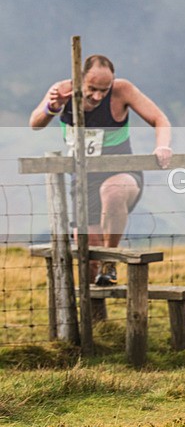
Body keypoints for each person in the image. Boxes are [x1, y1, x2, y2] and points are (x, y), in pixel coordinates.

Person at [29, 54, 172, 285]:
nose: (98, 96)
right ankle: (96, 317)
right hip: (83, 180)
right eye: (92, 89)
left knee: (112, 191)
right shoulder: (62, 90)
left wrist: (162, 146)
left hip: (123, 172)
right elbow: (34, 123)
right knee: (88, 256)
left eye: (104, 90)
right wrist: (52, 107)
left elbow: (160, 119)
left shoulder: (122, 90)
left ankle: (110, 262)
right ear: (80, 79)